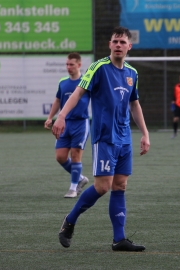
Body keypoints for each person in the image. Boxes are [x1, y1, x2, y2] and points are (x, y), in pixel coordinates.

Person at [52, 26, 150, 252]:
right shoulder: (99, 68)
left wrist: (144, 133)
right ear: (110, 44)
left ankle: (119, 239)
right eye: (115, 41)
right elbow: (78, 92)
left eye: (122, 42)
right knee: (103, 186)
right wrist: (62, 116)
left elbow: (134, 104)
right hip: (105, 137)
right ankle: (70, 220)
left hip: (124, 138)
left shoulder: (132, 73)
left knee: (120, 185)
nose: (118, 45)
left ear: (129, 46)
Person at [44, 53, 90, 198]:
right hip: (64, 124)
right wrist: (50, 117)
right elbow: (57, 101)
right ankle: (81, 178)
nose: (68, 67)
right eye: (67, 64)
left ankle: (73, 188)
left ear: (79, 65)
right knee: (60, 157)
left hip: (81, 123)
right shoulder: (63, 82)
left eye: (72, 64)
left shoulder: (86, 81)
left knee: (76, 155)